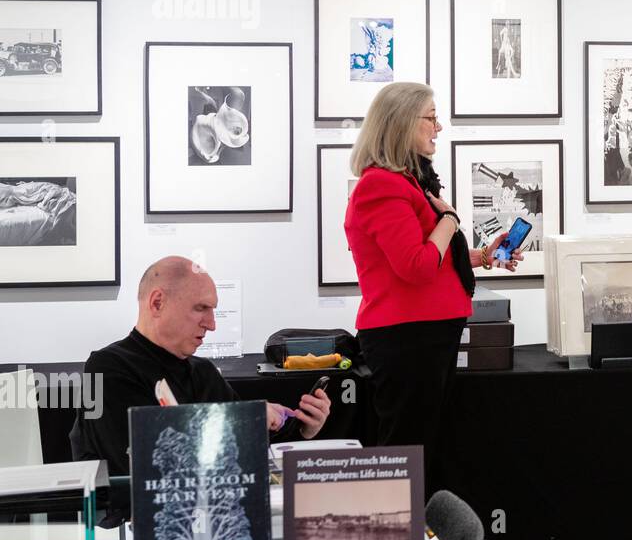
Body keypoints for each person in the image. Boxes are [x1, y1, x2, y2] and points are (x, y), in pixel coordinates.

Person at [345, 82, 523, 498]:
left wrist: (480, 255)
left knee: (425, 451)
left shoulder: (409, 181)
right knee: (407, 453)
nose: (438, 127)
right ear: (403, 122)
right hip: (408, 339)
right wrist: (451, 220)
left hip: (426, 336)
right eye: (431, 117)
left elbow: (429, 258)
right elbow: (416, 266)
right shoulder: (381, 186)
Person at [71, 256, 331, 476]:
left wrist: (304, 427)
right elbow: (135, 463)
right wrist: (244, 419)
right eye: (200, 308)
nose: (211, 323)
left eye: (213, 310)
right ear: (157, 303)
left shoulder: (203, 372)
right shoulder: (107, 368)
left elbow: (251, 443)